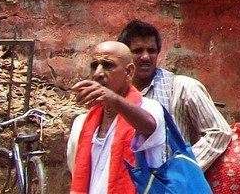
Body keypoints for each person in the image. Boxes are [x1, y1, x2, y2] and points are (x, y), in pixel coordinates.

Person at [117, 19, 231, 170]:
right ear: (125, 57)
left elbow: (219, 132)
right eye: (138, 51)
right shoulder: (117, 95)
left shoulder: (183, 88)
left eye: (151, 51)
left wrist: (183, 169)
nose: (145, 57)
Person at [67, 41, 167, 194]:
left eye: (108, 65)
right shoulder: (82, 123)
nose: (98, 73)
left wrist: (112, 99)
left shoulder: (149, 108)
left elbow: (149, 125)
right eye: (94, 66)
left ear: (129, 72)